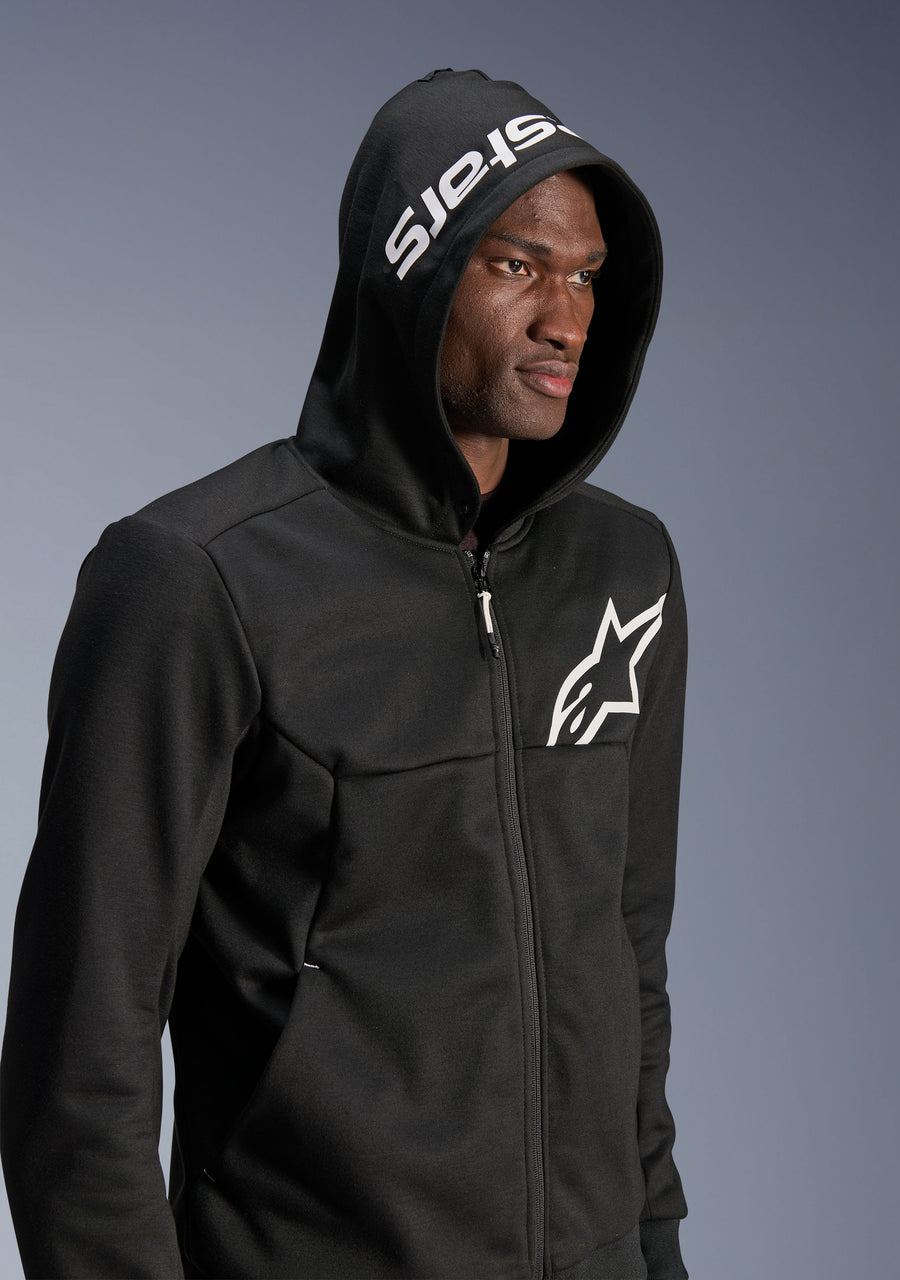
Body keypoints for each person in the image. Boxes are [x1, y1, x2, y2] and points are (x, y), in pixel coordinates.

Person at [0, 69, 689, 1279]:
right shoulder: (194, 579)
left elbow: (627, 961)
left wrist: (657, 1252)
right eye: (518, 265)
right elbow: (80, 1053)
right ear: (411, 270)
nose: (565, 318)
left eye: (585, 277)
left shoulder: (624, 569)